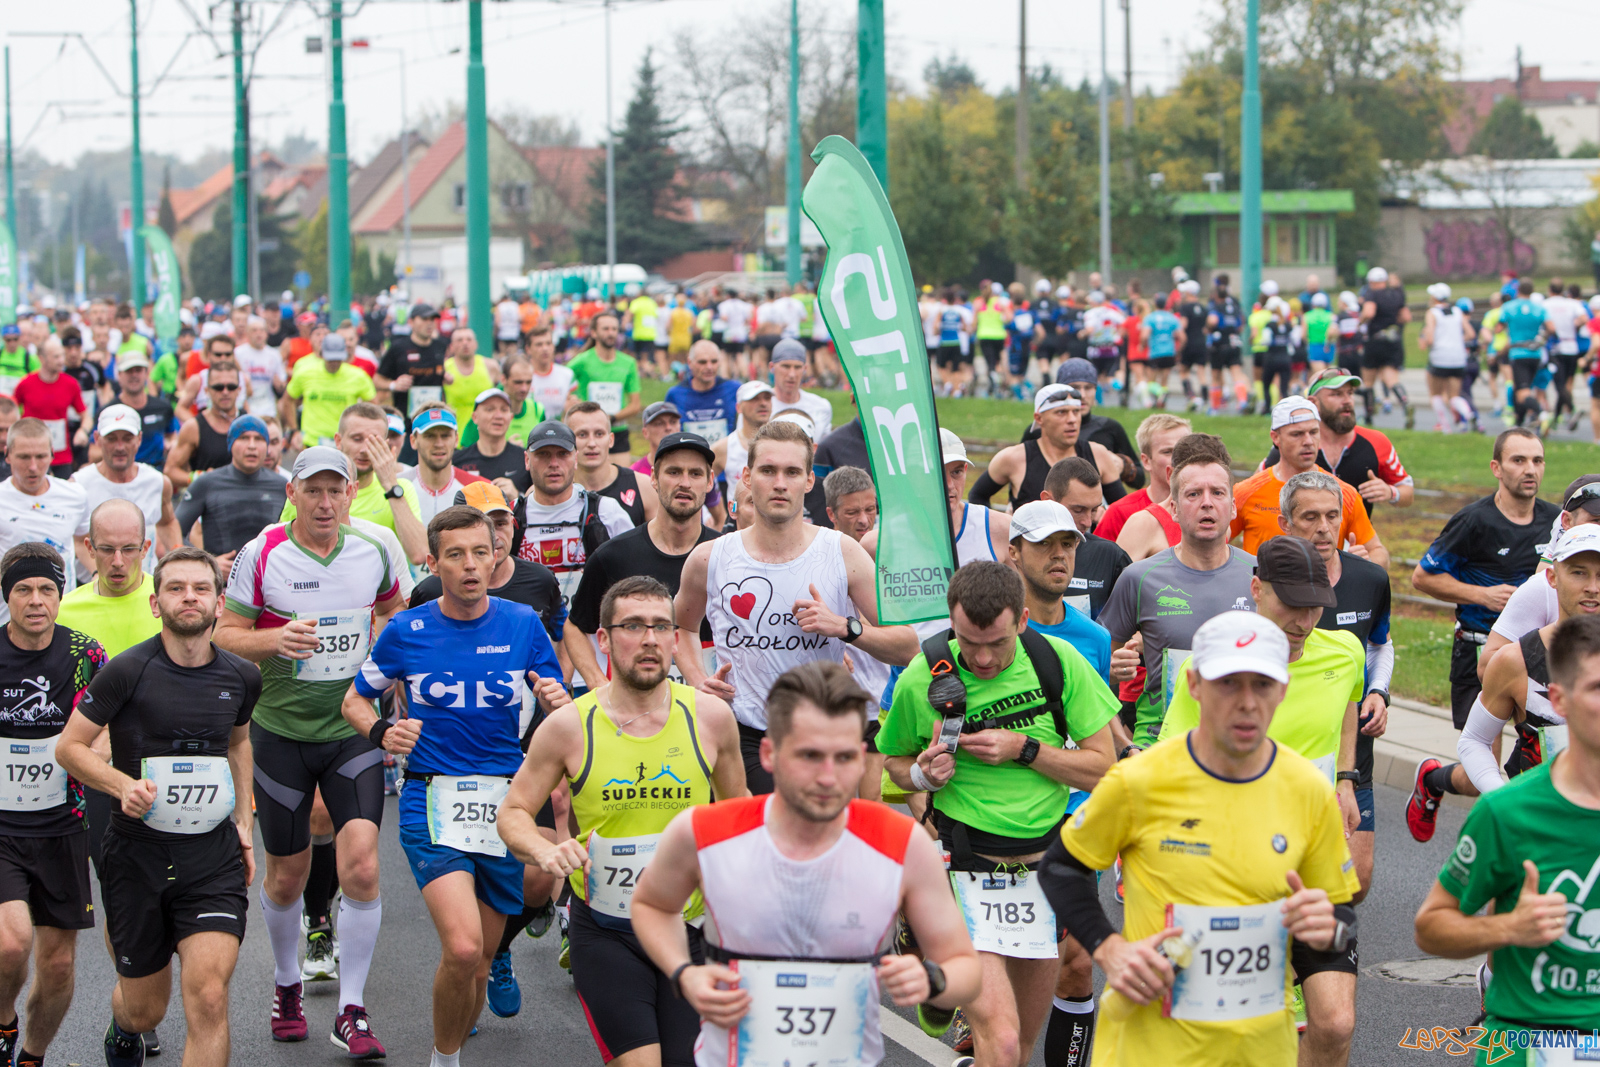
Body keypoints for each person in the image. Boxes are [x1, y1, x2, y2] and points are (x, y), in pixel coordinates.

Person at [1041, 610, 1358, 1067]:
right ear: (1194, 685)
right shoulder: (1141, 781)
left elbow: (1339, 913)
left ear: (1283, 690)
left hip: (1261, 1049)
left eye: (1263, 684)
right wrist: (1109, 949)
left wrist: (1330, 929)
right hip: (1149, 1050)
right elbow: (1060, 866)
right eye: (1229, 683)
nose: (1247, 702)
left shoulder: (1308, 789)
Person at [630, 661, 982, 1067]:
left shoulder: (901, 843)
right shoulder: (704, 831)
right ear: (769, 753)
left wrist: (932, 979)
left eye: (845, 756)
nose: (829, 777)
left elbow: (965, 971)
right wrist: (683, 973)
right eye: (810, 755)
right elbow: (651, 905)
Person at [343, 505, 564, 1067]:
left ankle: (451, 1051)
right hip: (432, 796)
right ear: (433, 561)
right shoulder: (407, 629)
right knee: (462, 947)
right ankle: (443, 1059)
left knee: (483, 959)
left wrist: (554, 703)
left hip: (505, 800)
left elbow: (554, 692)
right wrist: (381, 732)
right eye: (456, 555)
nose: (470, 566)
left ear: (496, 556)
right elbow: (354, 698)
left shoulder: (522, 623)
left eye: (480, 552)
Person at [878, 561, 1117, 1067]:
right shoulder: (925, 675)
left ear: (1023, 621)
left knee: (1018, 1049)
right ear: (951, 623)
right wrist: (922, 775)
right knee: (1002, 1041)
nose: (983, 659)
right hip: (962, 868)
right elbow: (893, 765)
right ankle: (922, 938)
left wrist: (1025, 749)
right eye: (969, 642)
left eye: (998, 643)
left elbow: (1103, 769)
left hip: (1043, 873)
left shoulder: (1059, 662)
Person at [500, 574, 745, 1066]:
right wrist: (545, 850)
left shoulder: (712, 718)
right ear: (605, 640)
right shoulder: (569, 726)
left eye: (660, 626)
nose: (650, 639)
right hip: (609, 932)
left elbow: (738, 812)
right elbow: (513, 811)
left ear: (677, 639)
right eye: (633, 626)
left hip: (689, 932)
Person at [212, 447, 404, 1054]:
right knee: (287, 878)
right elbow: (224, 636)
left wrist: (382, 646)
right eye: (312, 491)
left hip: (351, 728)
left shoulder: (374, 546)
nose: (325, 503)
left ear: (351, 492)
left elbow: (393, 610)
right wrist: (274, 640)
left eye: (335, 491)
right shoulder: (264, 550)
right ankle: (288, 980)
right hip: (280, 732)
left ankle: (351, 1007)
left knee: (364, 867)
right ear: (291, 494)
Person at [1156, 539, 1363, 1059]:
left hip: (1314, 865)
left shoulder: (1345, 652)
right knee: (1240, 1034)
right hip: (1232, 867)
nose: (1304, 620)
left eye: (1315, 606)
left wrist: (1344, 777)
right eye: (1291, 603)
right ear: (1256, 588)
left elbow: (1346, 710)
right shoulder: (1215, 668)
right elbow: (1172, 760)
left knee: (1335, 1025)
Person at [57, 547, 257, 1067]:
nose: (189, 597)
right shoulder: (126, 671)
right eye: (176, 588)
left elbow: (237, 744)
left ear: (218, 604)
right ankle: (125, 1025)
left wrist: (243, 823)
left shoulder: (241, 676)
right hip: (137, 855)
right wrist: (121, 785)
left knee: (209, 996)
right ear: (155, 602)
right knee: (146, 1010)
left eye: (201, 588)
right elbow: (70, 748)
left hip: (210, 858)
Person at [674, 421, 918, 794]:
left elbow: (907, 643)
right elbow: (682, 627)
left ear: (808, 481)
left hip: (823, 734)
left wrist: (845, 627)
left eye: (792, 472)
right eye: (768, 470)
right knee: (755, 842)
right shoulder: (710, 558)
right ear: (747, 475)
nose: (779, 483)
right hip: (745, 733)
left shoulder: (841, 552)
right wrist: (695, 681)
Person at [1413, 612, 1600, 1064]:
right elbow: (1431, 927)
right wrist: (1508, 928)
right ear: (1559, 700)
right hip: (1528, 1042)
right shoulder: (1508, 812)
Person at [1408, 428, 1560, 836]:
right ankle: (1435, 782)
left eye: (1537, 461)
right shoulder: (1474, 521)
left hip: (1540, 661)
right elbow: (1422, 577)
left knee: (1537, 764)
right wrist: (1484, 595)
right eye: (1518, 460)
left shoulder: (1555, 521)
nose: (1530, 470)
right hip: (1480, 651)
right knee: (1481, 774)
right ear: (1496, 467)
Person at [0, 544, 106, 1067]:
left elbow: (106, 729)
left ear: (61, 596)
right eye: (23, 589)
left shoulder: (87, 656)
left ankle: (32, 1056)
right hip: (1, 827)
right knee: (11, 943)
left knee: (59, 965)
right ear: (8, 598)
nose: (36, 600)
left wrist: (91, 756)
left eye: (46, 589)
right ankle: (3, 1024)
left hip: (65, 825)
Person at [1275, 470, 1393, 899]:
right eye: (1309, 517)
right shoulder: (1264, 583)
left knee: (1355, 881)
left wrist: (1378, 692)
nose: (1324, 528)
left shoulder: (1370, 580)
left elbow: (1380, 646)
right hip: (1283, 753)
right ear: (1285, 523)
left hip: (1349, 752)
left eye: (1332, 516)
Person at [1100, 434, 1257, 747]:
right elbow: (1096, 672)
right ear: (1172, 508)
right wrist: (1124, 743)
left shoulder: (1260, 576)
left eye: (1218, 492)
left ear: (1233, 506)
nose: (1207, 502)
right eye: (1193, 494)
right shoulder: (1139, 578)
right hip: (1159, 746)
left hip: (1239, 746)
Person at [1454, 525, 1600, 801]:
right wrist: (1505, 799)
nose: (1592, 587)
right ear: (1552, 577)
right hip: (1541, 827)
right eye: (1579, 572)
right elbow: (1474, 741)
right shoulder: (1516, 660)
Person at [568, 432, 720, 686]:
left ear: (709, 481)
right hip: (635, 710)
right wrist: (598, 684)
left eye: (695, 474)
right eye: (673, 472)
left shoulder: (728, 552)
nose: (684, 483)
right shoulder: (613, 555)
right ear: (653, 478)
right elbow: (575, 626)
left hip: (708, 707)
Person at [513, 421, 635, 688]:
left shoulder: (606, 512)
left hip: (596, 670)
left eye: (563, 454)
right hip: (526, 672)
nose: (553, 463)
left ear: (575, 458)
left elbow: (636, 586)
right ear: (527, 459)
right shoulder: (510, 518)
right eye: (543, 455)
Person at [1231, 397, 1386, 564]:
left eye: (1313, 432)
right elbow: (1213, 545)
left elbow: (1378, 551)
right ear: (1275, 437)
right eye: (1297, 434)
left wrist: (1365, 563)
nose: (1308, 442)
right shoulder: (1246, 492)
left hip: (1323, 590)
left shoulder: (1343, 493)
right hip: (1263, 589)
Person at [279, 402, 427, 567]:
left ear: (385, 445)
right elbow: (279, 549)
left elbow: (419, 554)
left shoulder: (401, 488)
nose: (364, 449)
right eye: (357, 439)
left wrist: (391, 485)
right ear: (338, 440)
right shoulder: (308, 492)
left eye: (374, 441)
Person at [1260, 371, 1414, 517]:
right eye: (1336, 394)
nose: (1347, 400)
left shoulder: (1376, 442)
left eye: (1350, 393)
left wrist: (1391, 492)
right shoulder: (1293, 446)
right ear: (1314, 403)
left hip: (1359, 542)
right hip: (1305, 544)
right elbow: (1255, 488)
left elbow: (1408, 491)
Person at [972, 386, 1126, 510]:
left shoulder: (1098, 455)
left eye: (1076, 412)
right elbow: (977, 496)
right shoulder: (1014, 458)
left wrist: (1104, 514)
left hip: (1084, 548)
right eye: (1061, 412)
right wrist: (997, 531)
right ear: (1039, 418)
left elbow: (1123, 510)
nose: (1072, 420)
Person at [173, 415, 289, 574]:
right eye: (243, 438)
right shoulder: (206, 483)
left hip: (269, 582)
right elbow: (174, 531)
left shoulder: (282, 486)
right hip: (222, 586)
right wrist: (206, 562)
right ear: (230, 444)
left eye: (259, 439)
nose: (252, 446)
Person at [72, 406, 181, 574]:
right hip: (94, 589)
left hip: (144, 587)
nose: (120, 447)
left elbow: (167, 522)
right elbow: (76, 540)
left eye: (127, 438)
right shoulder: (79, 485)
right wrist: (97, 575)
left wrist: (177, 555)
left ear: (139, 439)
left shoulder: (157, 482)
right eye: (111, 438)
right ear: (97, 439)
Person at [1009, 500, 1110, 679]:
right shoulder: (994, 633)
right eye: (1043, 543)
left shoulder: (1097, 638)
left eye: (1067, 544)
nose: (1059, 554)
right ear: (1014, 552)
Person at [0, 420, 89, 622]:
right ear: (7, 454)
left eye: (40, 456)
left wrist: (95, 575)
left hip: (64, 618)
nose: (33, 466)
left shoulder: (75, 495)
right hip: (9, 620)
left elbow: (82, 541)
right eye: (24, 457)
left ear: (51, 453)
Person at [1039, 458, 1131, 622]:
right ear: (1048, 501)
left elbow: (1140, 623)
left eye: (1094, 510)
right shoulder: (1016, 553)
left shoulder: (1110, 557)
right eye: (1078, 510)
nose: (1088, 522)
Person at [1091, 414, 1190, 543]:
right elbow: (1099, 561)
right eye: (1167, 452)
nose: (1179, 458)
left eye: (1185, 450)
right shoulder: (1120, 513)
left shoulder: (1209, 506)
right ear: (1146, 461)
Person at [566, 402, 656, 527]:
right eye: (582, 434)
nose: (592, 443)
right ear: (568, 441)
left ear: (611, 440)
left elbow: (664, 542)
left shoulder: (643, 487)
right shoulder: (551, 490)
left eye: (599, 434)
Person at [567, 311, 641, 460]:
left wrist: (611, 418)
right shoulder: (581, 361)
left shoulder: (628, 363)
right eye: (606, 329)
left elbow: (635, 405)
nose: (611, 333)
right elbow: (562, 386)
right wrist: (574, 401)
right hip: (587, 433)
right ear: (594, 333)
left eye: (614, 329)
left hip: (618, 431)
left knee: (622, 480)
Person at [400, 405, 489, 525]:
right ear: (413, 441)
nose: (439, 444)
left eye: (445, 435)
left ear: (456, 439)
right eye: (430, 436)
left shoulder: (480, 488)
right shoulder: (396, 485)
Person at [12, 338, 85, 479]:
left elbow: (85, 414)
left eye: (62, 355)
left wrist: (83, 430)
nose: (61, 360)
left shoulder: (70, 384)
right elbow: (11, 410)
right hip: (30, 454)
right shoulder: (26, 384)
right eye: (56, 356)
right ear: (42, 359)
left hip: (60, 455)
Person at [164, 359, 243, 490]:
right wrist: (200, 478)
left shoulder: (249, 423)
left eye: (231, 387)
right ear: (207, 390)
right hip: (209, 503)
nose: (225, 392)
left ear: (239, 389)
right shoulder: (194, 427)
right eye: (218, 387)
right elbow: (170, 470)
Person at [285, 334, 375, 446]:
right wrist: (294, 430)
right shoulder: (305, 373)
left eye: (338, 359)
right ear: (322, 354)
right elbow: (288, 399)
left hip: (344, 442)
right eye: (330, 359)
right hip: (312, 441)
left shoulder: (358, 376)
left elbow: (373, 406)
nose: (334, 363)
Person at [1493, 278, 1552, 433]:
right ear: (1532, 291)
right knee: (1523, 388)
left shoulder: (1508, 307)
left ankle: (1542, 414)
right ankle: (1518, 424)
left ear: (1518, 290)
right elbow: (1551, 327)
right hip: (1535, 353)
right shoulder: (1539, 308)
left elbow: (1498, 328)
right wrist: (1542, 339)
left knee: (1522, 392)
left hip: (1518, 353)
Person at [1359, 266, 1413, 428]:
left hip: (1375, 340)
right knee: (1391, 379)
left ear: (1371, 282)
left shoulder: (1371, 293)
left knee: (1368, 380)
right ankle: (1405, 403)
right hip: (1393, 340)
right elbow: (1406, 317)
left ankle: (1369, 415)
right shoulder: (1396, 294)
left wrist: (1360, 323)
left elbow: (1369, 313)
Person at [1419, 283, 1478, 433]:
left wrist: (1426, 340)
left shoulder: (1432, 312)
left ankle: (1445, 426)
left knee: (1436, 394)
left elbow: (1430, 338)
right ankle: (1468, 413)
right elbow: (1470, 334)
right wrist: (1457, 341)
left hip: (1440, 357)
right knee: (1454, 395)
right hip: (1458, 357)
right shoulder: (1457, 311)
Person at [452, 388, 529, 499]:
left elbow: (537, 505)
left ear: (511, 417)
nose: (498, 416)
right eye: (490, 409)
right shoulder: (457, 461)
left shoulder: (525, 459)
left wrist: (517, 497)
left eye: (504, 410)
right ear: (475, 417)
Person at [108, 350, 180, 468]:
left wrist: (171, 444)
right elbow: (94, 450)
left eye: (138, 370)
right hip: (121, 471)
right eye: (129, 371)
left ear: (146, 373)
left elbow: (171, 435)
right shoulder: (110, 411)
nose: (134, 375)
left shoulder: (163, 407)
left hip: (156, 470)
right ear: (119, 375)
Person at [375, 302, 447, 418]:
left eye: (432, 319)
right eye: (424, 319)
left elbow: (441, 374)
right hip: (406, 418)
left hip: (434, 417)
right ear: (411, 322)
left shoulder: (440, 346)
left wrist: (445, 376)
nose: (429, 323)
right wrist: (394, 385)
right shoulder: (398, 348)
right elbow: (377, 380)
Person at [664, 340, 740, 443]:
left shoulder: (734, 389)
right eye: (702, 362)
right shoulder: (675, 394)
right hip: (689, 457)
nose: (709, 367)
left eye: (714, 361)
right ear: (690, 363)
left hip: (725, 457)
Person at [710, 381, 771, 495]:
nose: (763, 403)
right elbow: (702, 485)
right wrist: (719, 512)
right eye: (755, 399)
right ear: (739, 407)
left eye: (767, 398)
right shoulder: (724, 447)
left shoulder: (782, 444)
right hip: (735, 511)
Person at [768, 339, 833, 440]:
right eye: (786, 366)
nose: (792, 374)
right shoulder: (760, 406)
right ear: (772, 367)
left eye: (797, 367)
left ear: (805, 369)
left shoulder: (821, 407)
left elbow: (824, 451)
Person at [1204, 274, 1249, 414]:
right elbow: (1241, 324)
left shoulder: (1216, 307)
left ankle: (1215, 408)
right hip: (1234, 343)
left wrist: (1207, 329)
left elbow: (1212, 321)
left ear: (1216, 296)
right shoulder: (1235, 307)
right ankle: (1242, 401)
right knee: (1236, 373)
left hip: (1219, 345)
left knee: (1216, 375)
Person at [439, 328, 500, 428]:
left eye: (469, 339)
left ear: (476, 344)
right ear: (451, 347)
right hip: (455, 431)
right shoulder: (444, 369)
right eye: (460, 340)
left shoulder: (491, 366)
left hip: (486, 432)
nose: (465, 343)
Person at [233, 316, 286, 419]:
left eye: (262, 330)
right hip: (245, 406)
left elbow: (282, 383)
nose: (258, 333)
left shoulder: (274, 354)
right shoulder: (238, 353)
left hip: (268, 408)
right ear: (247, 333)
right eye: (254, 330)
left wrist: (279, 385)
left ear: (266, 333)